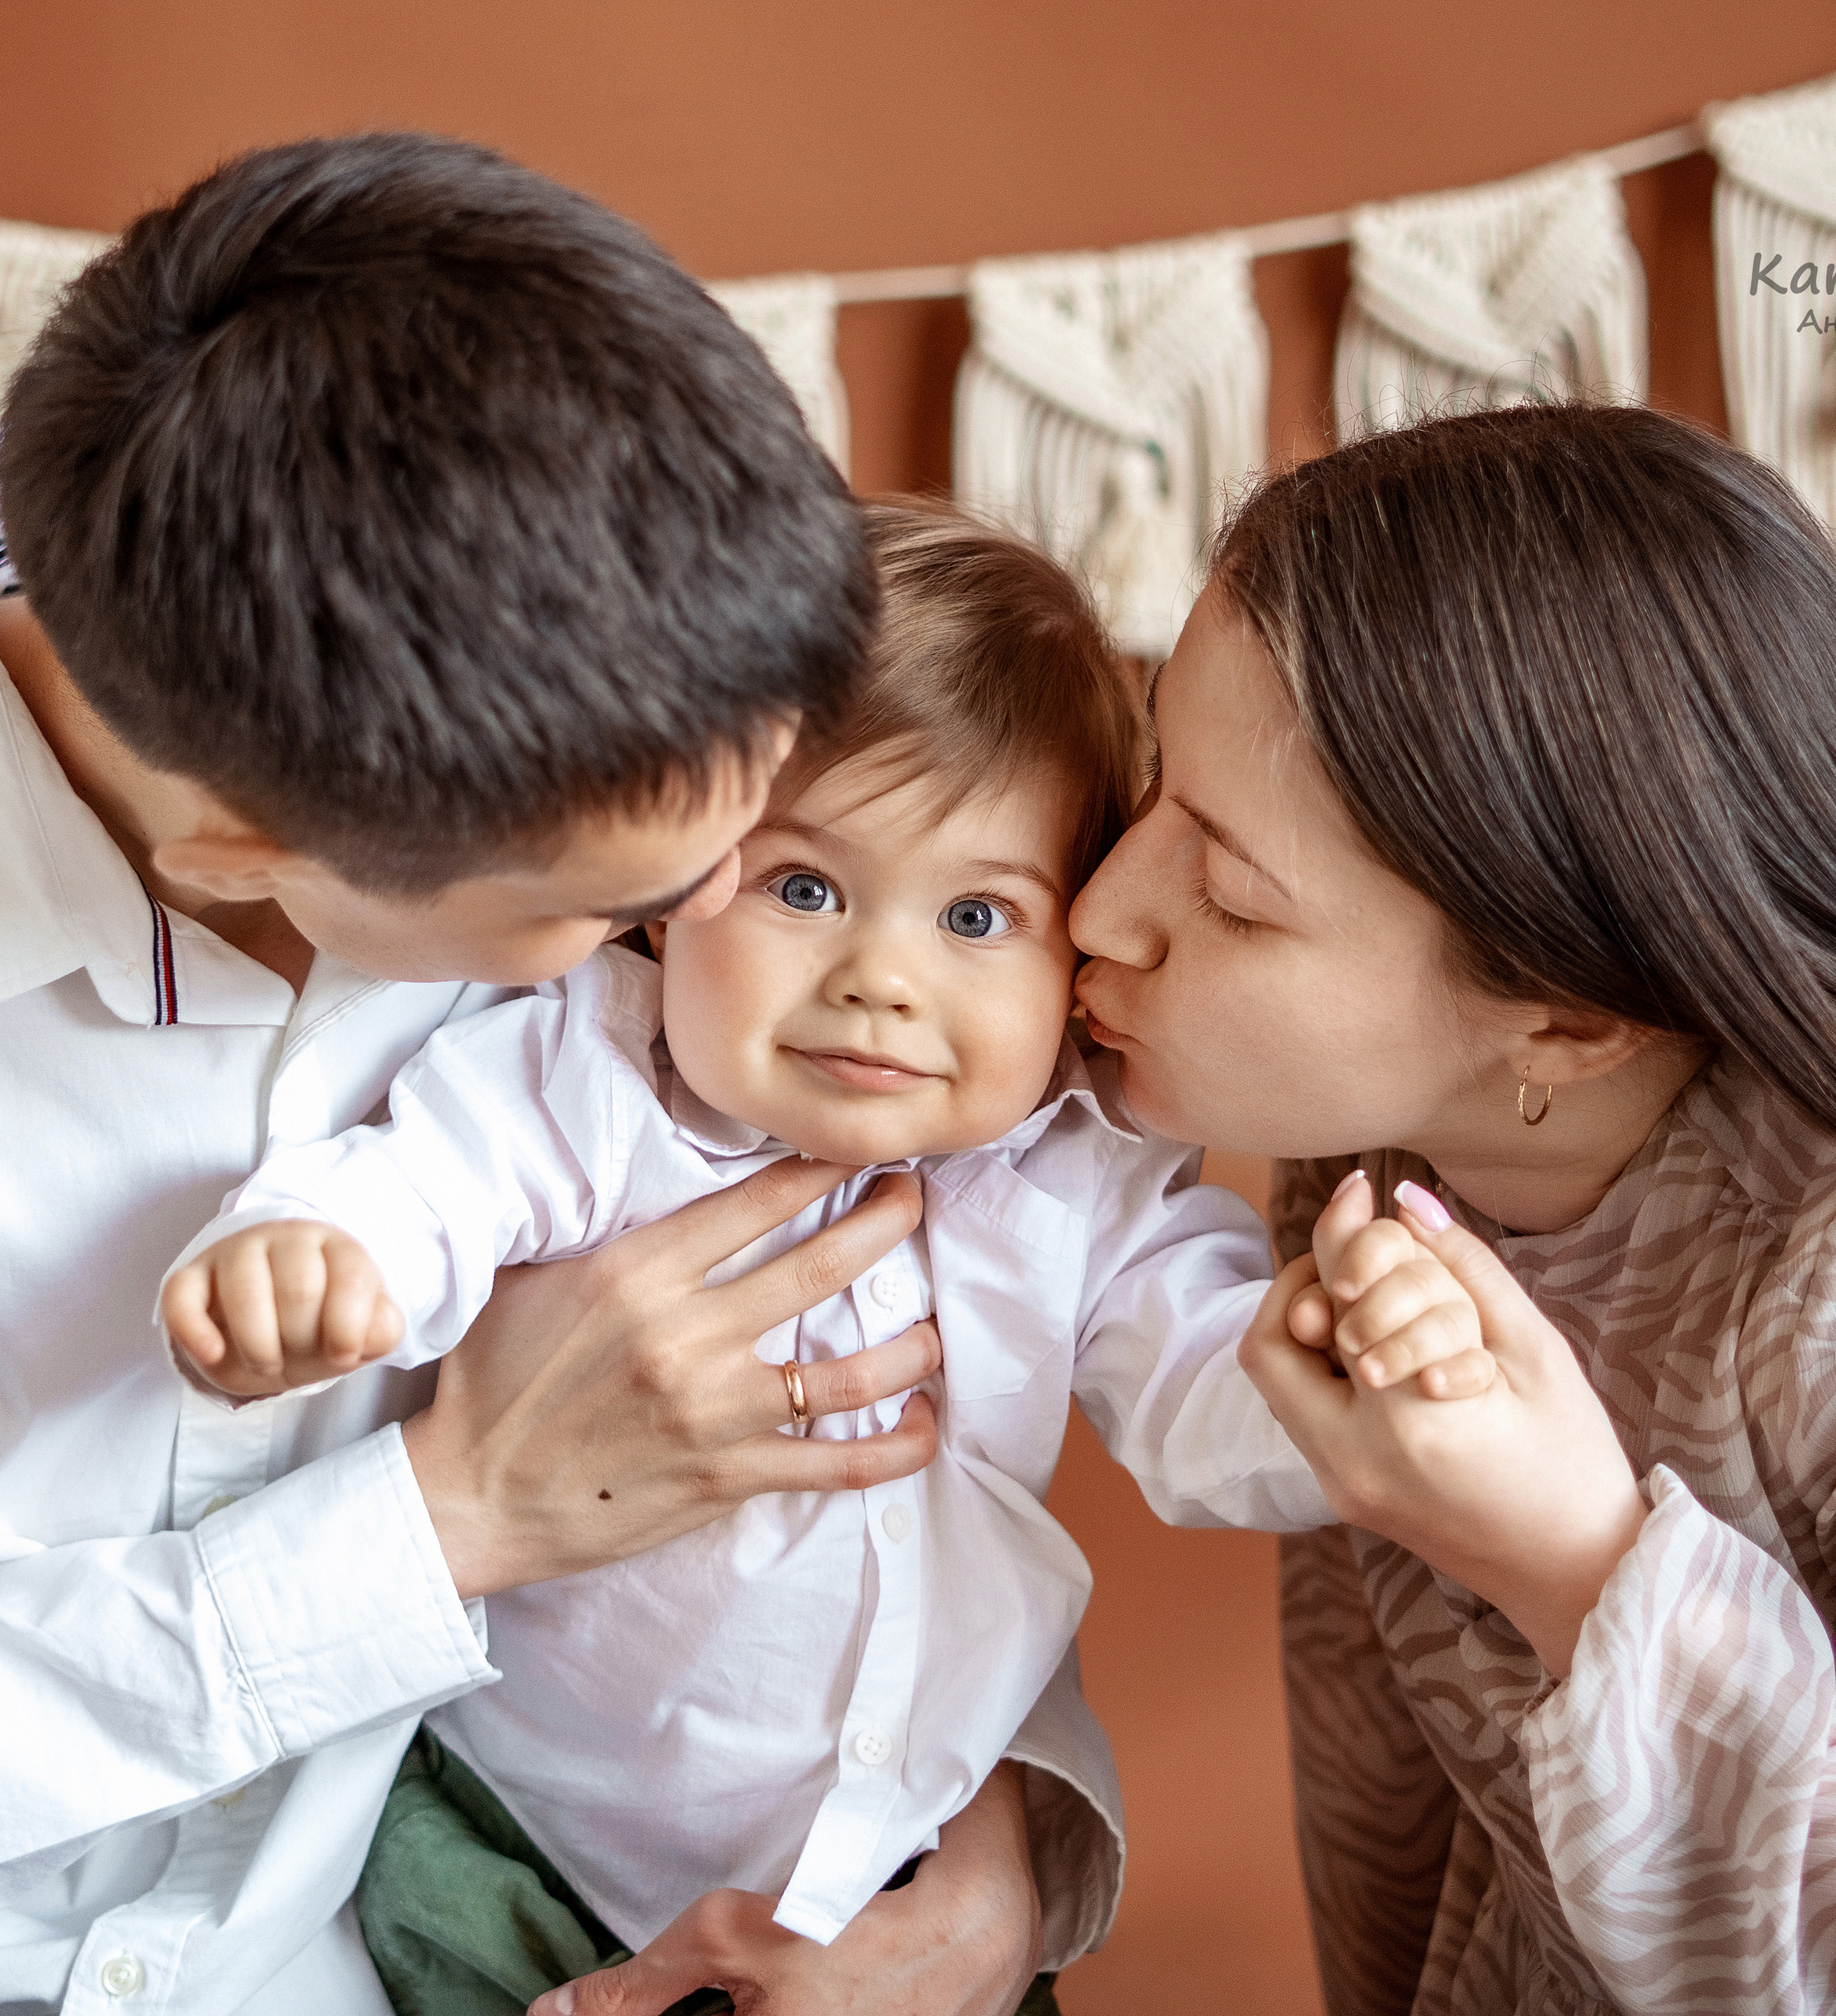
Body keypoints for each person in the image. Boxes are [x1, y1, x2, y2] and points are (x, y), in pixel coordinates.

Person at [0, 136, 1090, 2014]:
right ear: (246, 855)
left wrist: (996, 1854)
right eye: (629, 911)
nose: (718, 941)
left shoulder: (546, 737)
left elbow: (899, 1298)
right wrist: (447, 1519)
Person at [162, 505, 1358, 2016]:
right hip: (515, 1840)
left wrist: (1330, 1385)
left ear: (1075, 960)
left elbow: (1201, 1389)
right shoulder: (593, 1078)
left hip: (895, 1878)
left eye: (979, 915)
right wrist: (318, 1260)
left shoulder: (1072, 1176)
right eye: (804, 888)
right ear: (671, 895)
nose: (880, 978)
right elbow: (427, 1187)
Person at [1068, 400, 1836, 2015]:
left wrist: (1572, 1562)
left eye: (1222, 891)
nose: (1096, 912)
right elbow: (1381, 1792)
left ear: (1560, 1018)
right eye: (1155, 785)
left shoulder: (1804, 1294)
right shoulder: (1360, 1180)